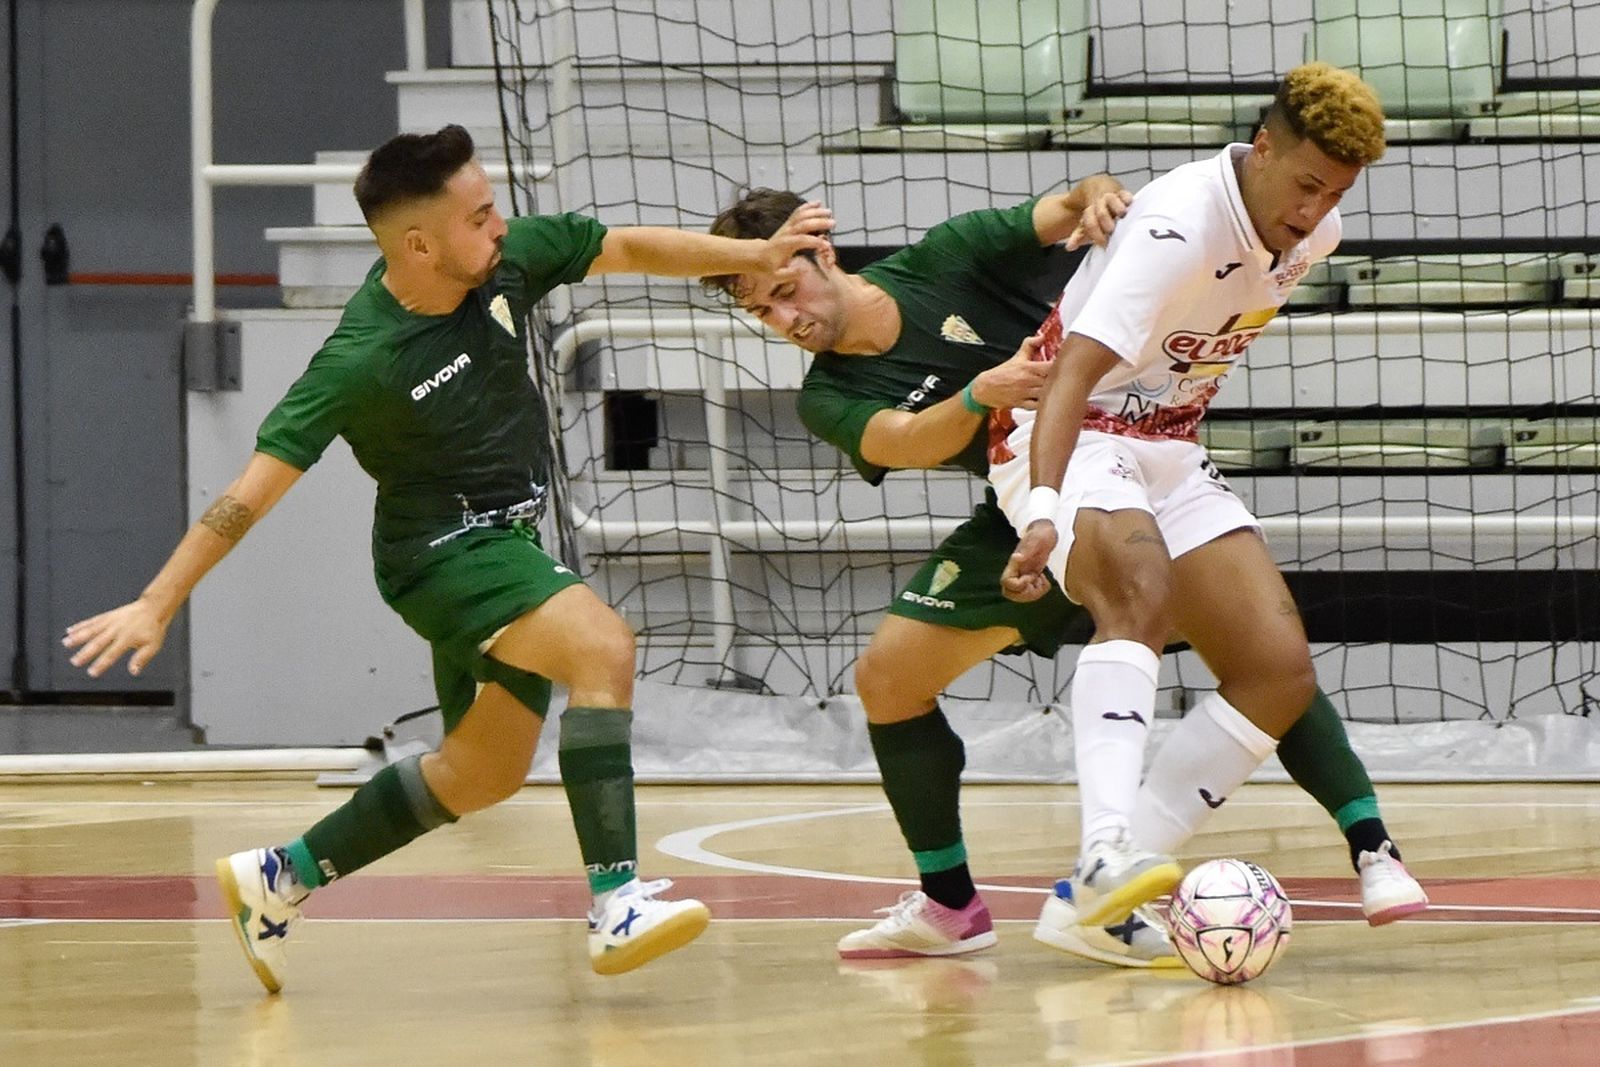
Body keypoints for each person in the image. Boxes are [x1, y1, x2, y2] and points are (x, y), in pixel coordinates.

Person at [62, 124, 834, 994]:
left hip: (508, 542)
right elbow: (249, 492)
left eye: (493, 206)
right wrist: (157, 601)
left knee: (482, 773)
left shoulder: (502, 260)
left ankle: (281, 875)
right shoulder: (363, 358)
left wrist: (752, 253)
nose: (499, 226)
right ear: (419, 244)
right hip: (441, 554)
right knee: (603, 647)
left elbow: (624, 247)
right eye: (478, 217)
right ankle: (616, 903)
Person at [704, 138, 1424, 965]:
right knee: (888, 679)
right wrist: (980, 394)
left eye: (786, 291)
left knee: (1256, 647)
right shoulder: (827, 392)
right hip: (1021, 505)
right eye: (764, 313)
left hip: (1115, 456)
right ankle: (951, 905)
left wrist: (1101, 192)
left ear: (821, 252)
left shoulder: (946, 256)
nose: (787, 320)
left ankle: (1362, 841)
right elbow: (901, 440)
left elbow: (1070, 207)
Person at [993, 63, 1424, 940]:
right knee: (1140, 591)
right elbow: (1070, 375)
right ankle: (1104, 848)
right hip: (1066, 429)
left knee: (1277, 669)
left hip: (1169, 445)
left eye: (1335, 194)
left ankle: (1087, 910)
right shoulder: (1177, 226)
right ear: (1262, 147)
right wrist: (1041, 505)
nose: (1314, 209)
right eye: (1306, 183)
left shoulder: (1317, 234)